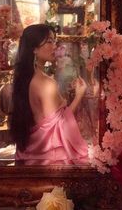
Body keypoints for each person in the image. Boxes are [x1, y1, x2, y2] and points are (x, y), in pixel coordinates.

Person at [10, 24, 89, 165]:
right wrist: (78, 96)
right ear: (34, 48)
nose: (55, 46)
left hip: (30, 156)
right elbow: (59, 127)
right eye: (49, 41)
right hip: (49, 160)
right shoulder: (46, 83)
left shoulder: (24, 79)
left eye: (55, 41)